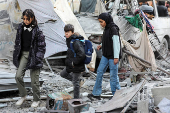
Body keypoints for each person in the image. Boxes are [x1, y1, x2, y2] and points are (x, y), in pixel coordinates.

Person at [13, 9, 46, 107]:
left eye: (28, 19)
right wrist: (16, 51)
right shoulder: (20, 27)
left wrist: (38, 58)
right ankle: (23, 96)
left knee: (34, 81)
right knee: (18, 76)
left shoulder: (38, 31)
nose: (25, 21)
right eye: (24, 19)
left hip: (34, 56)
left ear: (32, 18)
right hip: (23, 54)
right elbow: (17, 41)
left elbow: (42, 47)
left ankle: (36, 99)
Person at [88, 13, 121, 100]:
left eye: (101, 22)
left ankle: (116, 96)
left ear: (106, 21)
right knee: (99, 72)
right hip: (106, 55)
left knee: (113, 76)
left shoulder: (113, 29)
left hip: (113, 56)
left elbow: (116, 43)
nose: (101, 24)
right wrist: (102, 45)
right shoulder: (106, 28)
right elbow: (107, 39)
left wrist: (116, 57)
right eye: (100, 22)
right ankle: (96, 93)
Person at [60, 24, 85, 99]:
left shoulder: (75, 42)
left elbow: (82, 54)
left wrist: (74, 62)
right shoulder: (69, 39)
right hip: (71, 64)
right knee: (63, 74)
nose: (66, 33)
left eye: (68, 32)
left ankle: (76, 100)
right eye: (65, 32)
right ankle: (79, 80)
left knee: (75, 83)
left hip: (77, 64)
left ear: (72, 32)